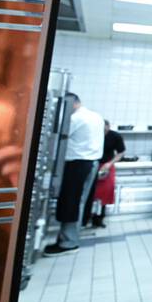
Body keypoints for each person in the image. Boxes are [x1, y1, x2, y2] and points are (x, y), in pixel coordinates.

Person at [44, 93, 104, 256]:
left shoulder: (76, 119)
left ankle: (68, 242)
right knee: (79, 202)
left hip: (78, 164)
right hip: (90, 162)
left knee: (72, 202)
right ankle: (69, 238)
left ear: (72, 104)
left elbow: (59, 138)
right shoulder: (96, 116)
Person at [82, 119, 126, 229]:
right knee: (90, 192)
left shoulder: (115, 136)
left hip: (106, 166)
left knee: (104, 194)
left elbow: (121, 152)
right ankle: (85, 218)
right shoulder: (92, 134)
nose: (103, 131)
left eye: (105, 129)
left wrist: (110, 163)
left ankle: (99, 219)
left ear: (108, 127)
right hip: (91, 164)